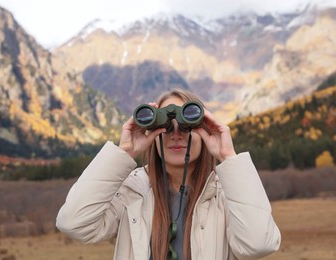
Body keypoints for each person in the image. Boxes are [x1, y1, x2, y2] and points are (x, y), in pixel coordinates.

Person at [56, 88, 281, 260]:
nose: (176, 134)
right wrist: (124, 152)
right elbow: (73, 223)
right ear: (153, 132)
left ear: (203, 129)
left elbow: (259, 243)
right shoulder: (132, 193)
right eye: (164, 126)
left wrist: (229, 157)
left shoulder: (226, 196)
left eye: (186, 125)